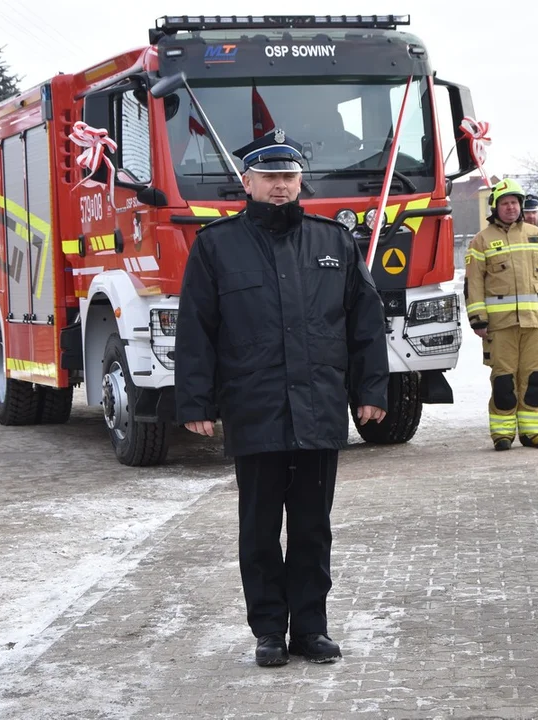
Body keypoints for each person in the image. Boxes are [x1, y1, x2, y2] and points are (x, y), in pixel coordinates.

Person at [174, 128, 389, 668]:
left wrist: (370, 390)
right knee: (260, 528)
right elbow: (197, 328)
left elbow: (365, 323)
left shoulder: (333, 242)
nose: (280, 186)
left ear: (300, 183)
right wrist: (196, 401)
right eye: (269, 177)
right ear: (247, 182)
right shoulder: (217, 245)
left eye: (289, 177)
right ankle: (269, 630)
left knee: (313, 527)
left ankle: (311, 629)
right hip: (256, 408)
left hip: (318, 407)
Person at [464, 178, 538, 451]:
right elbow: (473, 283)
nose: (510, 207)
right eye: (505, 203)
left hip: (535, 323)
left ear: (521, 205)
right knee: (504, 382)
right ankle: (502, 434)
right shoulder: (482, 240)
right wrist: (477, 318)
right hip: (500, 326)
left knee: (536, 380)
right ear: (495, 208)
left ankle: (532, 433)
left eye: (514, 202)